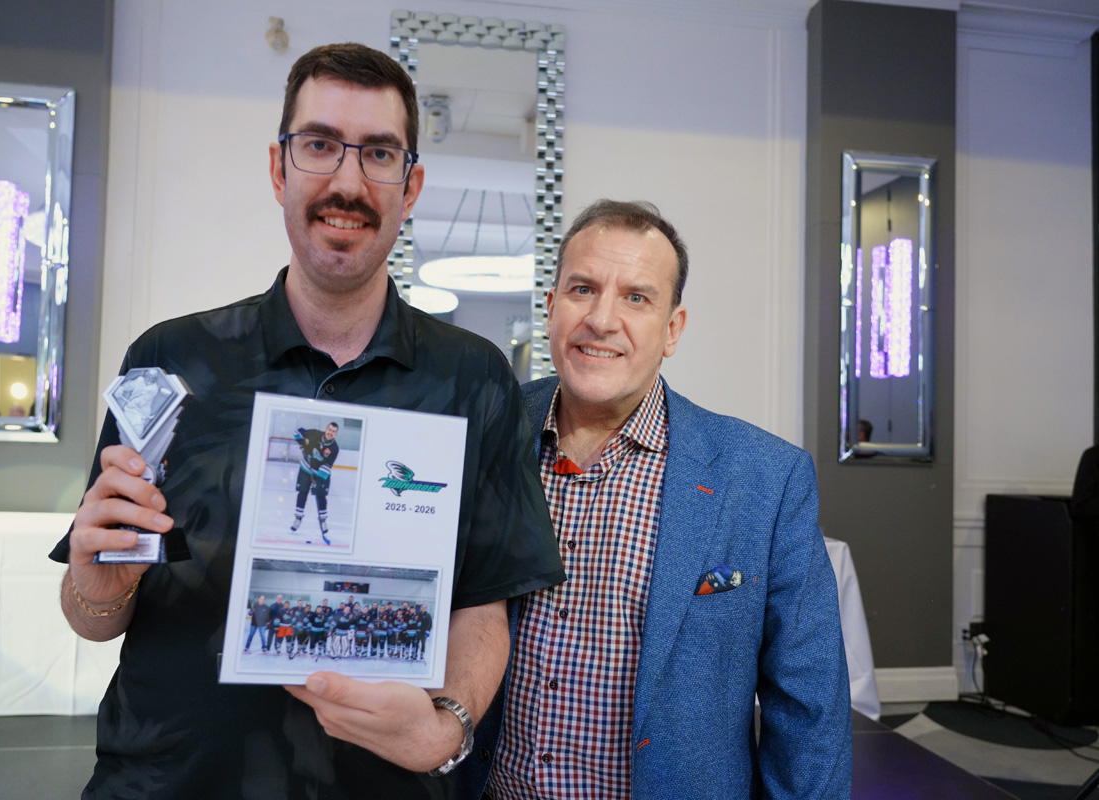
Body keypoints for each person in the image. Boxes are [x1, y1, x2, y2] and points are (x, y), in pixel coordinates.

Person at [49, 41, 563, 799]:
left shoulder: (476, 379)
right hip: (169, 783)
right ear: (278, 168)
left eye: (379, 154)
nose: (348, 182)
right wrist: (99, 587)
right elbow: (94, 616)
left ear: (411, 186)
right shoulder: (170, 362)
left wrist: (446, 728)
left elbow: (485, 602)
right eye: (320, 145)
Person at [475, 200, 852, 799]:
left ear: (672, 329)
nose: (602, 319)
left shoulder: (764, 479)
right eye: (582, 289)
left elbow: (809, 710)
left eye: (636, 297)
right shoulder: (483, 432)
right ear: (550, 307)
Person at [290, 422, 340, 542]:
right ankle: (298, 519)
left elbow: (327, 466)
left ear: (336, 434)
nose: (330, 433)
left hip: (321, 473)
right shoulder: (315, 434)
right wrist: (303, 442)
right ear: (326, 429)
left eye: (333, 431)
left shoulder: (334, 448)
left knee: (321, 495)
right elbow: (297, 432)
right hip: (305, 468)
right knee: (302, 493)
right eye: (329, 430)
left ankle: (323, 521)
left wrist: (317, 480)